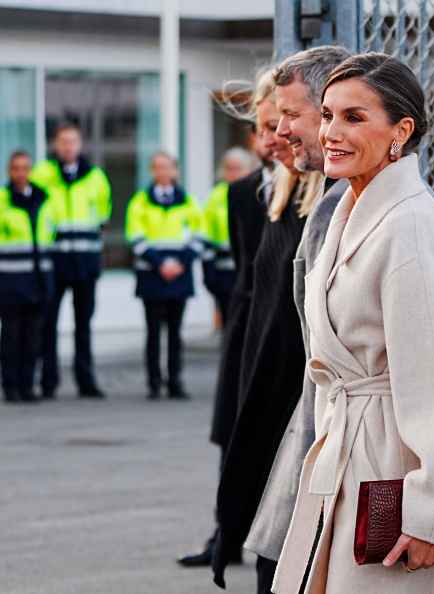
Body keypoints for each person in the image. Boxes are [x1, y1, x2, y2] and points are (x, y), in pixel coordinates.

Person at [270, 51, 434, 594]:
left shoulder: (409, 225)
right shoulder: (349, 210)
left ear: (401, 131)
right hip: (346, 451)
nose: (332, 132)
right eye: (328, 115)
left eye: (354, 117)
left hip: (390, 465)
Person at [211, 46, 350, 594]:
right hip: (274, 405)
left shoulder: (337, 210)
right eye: (272, 123)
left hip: (311, 422)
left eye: (288, 119)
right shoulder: (276, 199)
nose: (276, 137)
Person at [178, 73, 277, 570]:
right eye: (262, 129)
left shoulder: (314, 189)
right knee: (232, 430)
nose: (270, 139)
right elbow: (242, 263)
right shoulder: (240, 194)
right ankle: (226, 532)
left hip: (282, 325)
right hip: (245, 319)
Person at [30, 123, 111, 399]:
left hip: (85, 262)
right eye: (63, 141)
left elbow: (102, 217)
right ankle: (48, 381)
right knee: (48, 323)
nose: (68, 146)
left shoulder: (96, 177)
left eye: (72, 141)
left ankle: (86, 381)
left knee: (83, 324)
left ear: (80, 144)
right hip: (54, 262)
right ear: (55, 144)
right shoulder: (42, 175)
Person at [125, 151, 204, 401]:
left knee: (174, 332)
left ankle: (175, 381)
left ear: (175, 170)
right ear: (152, 171)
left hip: (179, 276)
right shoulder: (140, 201)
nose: (163, 172)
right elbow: (135, 237)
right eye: (158, 167)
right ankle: (153, 382)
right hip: (152, 276)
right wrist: (161, 264)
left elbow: (199, 236)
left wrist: (179, 264)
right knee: (153, 332)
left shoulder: (188, 201)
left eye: (167, 167)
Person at [0, 151, 59, 404]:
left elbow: (51, 235)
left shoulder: (44, 200)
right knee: (11, 336)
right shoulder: (3, 200)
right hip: (11, 279)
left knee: (34, 336)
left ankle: (28, 385)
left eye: (25, 168)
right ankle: (10, 385)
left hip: (39, 278)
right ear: (9, 172)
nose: (21, 173)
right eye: (16, 168)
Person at [202, 147, 254, 325]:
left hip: (248, 269)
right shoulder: (216, 195)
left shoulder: (256, 193)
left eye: (238, 168)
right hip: (223, 270)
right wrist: (208, 270)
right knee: (228, 322)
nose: (233, 173)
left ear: (249, 169)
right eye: (229, 168)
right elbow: (206, 233)